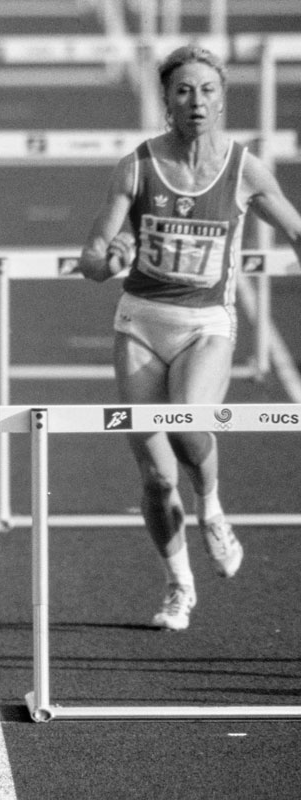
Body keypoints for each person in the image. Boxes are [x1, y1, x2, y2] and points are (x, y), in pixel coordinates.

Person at [79, 46, 301, 631]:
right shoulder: (136, 166)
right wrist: (111, 257)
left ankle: (214, 507)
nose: (195, 101)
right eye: (183, 91)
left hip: (207, 325)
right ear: (167, 102)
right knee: (154, 476)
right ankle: (179, 584)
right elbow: (92, 257)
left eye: (206, 90)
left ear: (222, 98)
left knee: (185, 420)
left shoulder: (244, 170)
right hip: (141, 322)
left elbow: (296, 227)